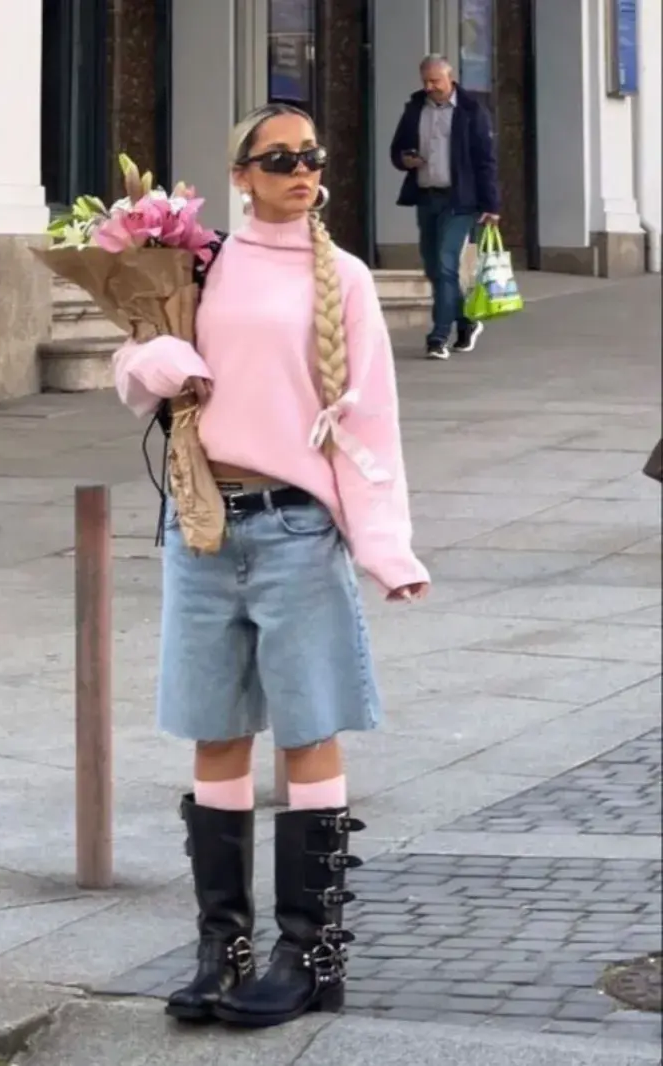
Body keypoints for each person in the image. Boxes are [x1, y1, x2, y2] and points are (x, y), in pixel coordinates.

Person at [113, 103, 430, 1029]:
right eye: (279, 158)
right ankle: (224, 949)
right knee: (215, 730)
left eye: (312, 157)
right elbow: (132, 374)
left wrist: (385, 545)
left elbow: (370, 425)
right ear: (242, 174)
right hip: (203, 525)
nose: (301, 170)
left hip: (296, 528)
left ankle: (310, 953)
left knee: (306, 730)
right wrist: (155, 360)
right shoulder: (195, 263)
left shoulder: (349, 279)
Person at [389, 54, 501, 361]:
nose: (429, 87)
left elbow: (485, 160)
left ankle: (438, 337)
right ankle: (466, 322)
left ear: (450, 78)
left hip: (461, 200)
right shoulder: (415, 108)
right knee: (433, 267)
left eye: (435, 81)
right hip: (427, 196)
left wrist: (491, 205)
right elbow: (397, 149)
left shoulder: (471, 110)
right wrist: (406, 159)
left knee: (446, 262)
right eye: (425, 81)